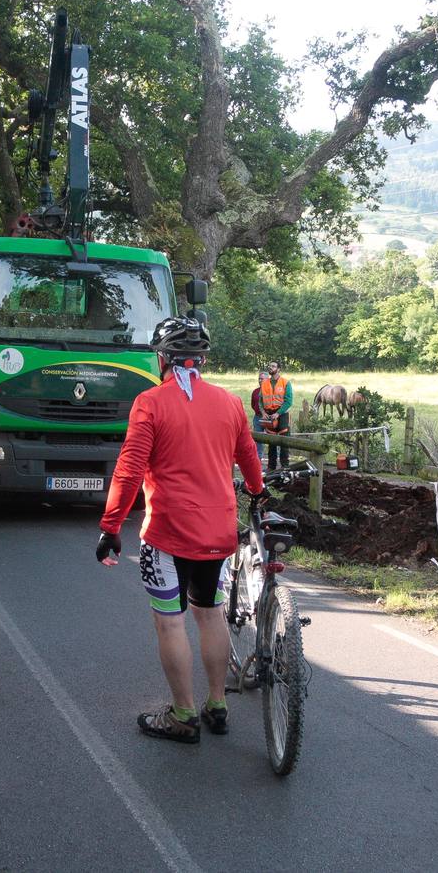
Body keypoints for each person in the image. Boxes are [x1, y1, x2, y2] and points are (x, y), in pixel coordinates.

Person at [95, 317, 266, 744]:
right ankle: (217, 704)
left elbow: (130, 468)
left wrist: (111, 526)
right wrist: (259, 491)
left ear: (161, 359)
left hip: (167, 534)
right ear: (202, 360)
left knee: (171, 624)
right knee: (209, 615)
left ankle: (183, 715)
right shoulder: (229, 403)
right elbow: (248, 456)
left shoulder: (150, 402)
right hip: (218, 534)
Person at [259, 360, 294, 470]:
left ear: (279, 369)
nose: (270, 367)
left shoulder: (285, 382)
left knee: (284, 443)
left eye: (273, 366)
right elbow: (260, 401)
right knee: (272, 443)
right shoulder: (264, 383)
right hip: (269, 415)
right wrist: (263, 413)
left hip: (282, 414)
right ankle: (271, 467)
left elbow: (289, 401)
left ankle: (285, 467)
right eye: (270, 366)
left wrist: (278, 413)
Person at [249, 370, 270, 467]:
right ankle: (258, 461)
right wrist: (259, 412)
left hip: (270, 419)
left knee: (272, 439)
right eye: (259, 378)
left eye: (262, 379)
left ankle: (272, 461)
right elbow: (253, 405)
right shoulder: (255, 392)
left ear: (268, 379)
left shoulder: (271, 390)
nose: (260, 380)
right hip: (257, 418)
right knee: (258, 440)